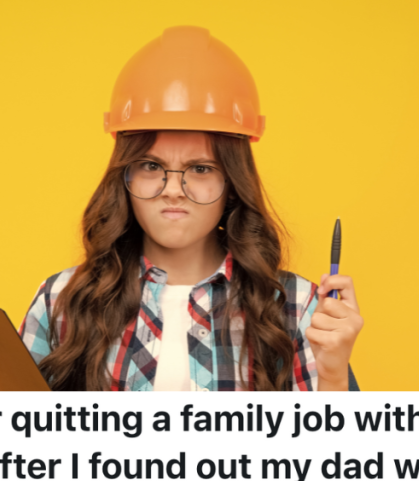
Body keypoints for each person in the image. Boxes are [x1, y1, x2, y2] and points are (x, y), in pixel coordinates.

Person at [18, 26, 363, 391]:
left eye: (200, 169)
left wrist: (333, 375)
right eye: (151, 166)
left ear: (232, 182)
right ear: (124, 176)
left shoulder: (295, 306)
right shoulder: (62, 300)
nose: (173, 190)